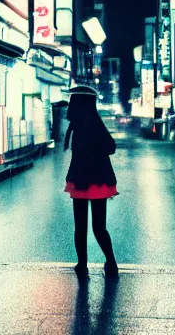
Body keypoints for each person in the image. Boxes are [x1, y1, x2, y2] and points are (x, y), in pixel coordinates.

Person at [64, 85, 119, 280]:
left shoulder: (76, 126)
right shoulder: (96, 123)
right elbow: (111, 147)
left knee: (80, 227)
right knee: (99, 227)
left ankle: (82, 265)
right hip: (98, 181)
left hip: (79, 181)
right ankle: (111, 262)